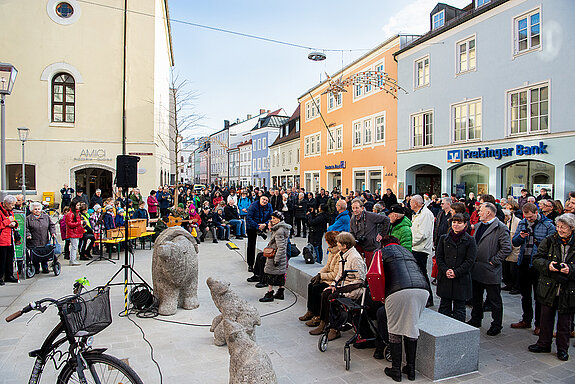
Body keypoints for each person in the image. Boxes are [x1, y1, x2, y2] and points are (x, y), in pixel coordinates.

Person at [374, 236, 429, 382]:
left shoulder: (381, 252)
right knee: (412, 327)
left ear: (383, 244)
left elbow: (375, 276)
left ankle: (396, 370)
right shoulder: (407, 252)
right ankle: (411, 370)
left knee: (395, 330)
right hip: (422, 290)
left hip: (398, 290)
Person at [528, 213, 575, 362]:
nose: (560, 230)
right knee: (545, 317)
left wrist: (571, 269)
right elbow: (536, 259)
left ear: (572, 228)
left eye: (564, 227)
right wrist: (548, 265)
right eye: (558, 226)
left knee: (565, 321)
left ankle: (562, 349)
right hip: (549, 286)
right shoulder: (550, 241)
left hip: (568, 288)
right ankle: (543, 344)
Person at [310, 232, 367, 341]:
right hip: (344, 285)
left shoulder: (355, 258)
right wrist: (333, 285)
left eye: (339, 243)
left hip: (353, 289)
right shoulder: (343, 255)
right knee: (326, 293)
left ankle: (335, 329)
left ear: (345, 245)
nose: (337, 245)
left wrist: (340, 289)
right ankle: (324, 322)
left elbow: (360, 280)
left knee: (331, 297)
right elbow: (339, 275)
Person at [510, 202, 556, 334]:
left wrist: (536, 241)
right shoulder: (522, 223)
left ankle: (539, 324)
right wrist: (521, 237)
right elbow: (515, 242)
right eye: (526, 217)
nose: (528, 219)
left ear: (537, 213)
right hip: (523, 261)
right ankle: (526, 319)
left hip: (538, 265)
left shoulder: (547, 225)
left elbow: (551, 246)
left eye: (530, 217)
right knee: (525, 294)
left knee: (539, 296)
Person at [467, 202, 512, 336]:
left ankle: (496, 324)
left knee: (494, 299)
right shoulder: (480, 225)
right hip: (477, 268)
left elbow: (506, 248)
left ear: (488, 212)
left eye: (481, 210)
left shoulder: (500, 228)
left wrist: (494, 261)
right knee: (476, 297)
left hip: (491, 270)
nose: (478, 212)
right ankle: (476, 318)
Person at [435, 213, 476, 322]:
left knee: (459, 308)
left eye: (459, 222)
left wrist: (456, 272)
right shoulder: (444, 238)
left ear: (465, 224)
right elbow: (439, 257)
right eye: (454, 222)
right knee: (444, 306)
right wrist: (445, 270)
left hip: (461, 278)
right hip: (445, 277)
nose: (456, 225)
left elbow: (470, 260)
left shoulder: (470, 240)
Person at [299, 231, 340, 326]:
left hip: (333, 281)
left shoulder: (338, 254)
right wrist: (319, 274)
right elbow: (327, 266)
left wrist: (321, 276)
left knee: (318, 289)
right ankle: (311, 311)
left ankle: (318, 316)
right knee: (311, 285)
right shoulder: (331, 251)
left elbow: (335, 274)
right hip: (328, 277)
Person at [259, 211, 291, 302]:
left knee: (270, 274)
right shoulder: (281, 229)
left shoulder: (279, 231)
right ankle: (280, 292)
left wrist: (276, 259)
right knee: (280, 274)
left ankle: (270, 293)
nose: (272, 220)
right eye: (272, 218)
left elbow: (281, 247)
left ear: (279, 219)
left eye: (274, 218)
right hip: (281, 256)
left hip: (275, 256)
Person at [409, 194, 435, 307]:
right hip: (416, 247)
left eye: (410, 202)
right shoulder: (418, 213)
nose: (409, 204)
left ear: (416, 203)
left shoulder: (425, 214)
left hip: (420, 249)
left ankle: (428, 297)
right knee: (419, 273)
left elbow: (423, 234)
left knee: (421, 273)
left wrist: (411, 242)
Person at [350, 198, 390, 268]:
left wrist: (382, 234)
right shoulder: (353, 219)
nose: (355, 210)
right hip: (359, 245)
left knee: (371, 268)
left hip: (371, 247)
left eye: (357, 208)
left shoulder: (370, 216)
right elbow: (352, 232)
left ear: (362, 208)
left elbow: (386, 220)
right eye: (353, 208)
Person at [246, 195, 273, 277]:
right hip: (252, 226)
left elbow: (271, 217)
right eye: (263, 199)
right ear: (260, 199)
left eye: (266, 200)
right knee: (251, 245)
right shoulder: (253, 205)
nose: (264, 201)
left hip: (263, 225)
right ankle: (250, 264)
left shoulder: (269, 206)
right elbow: (249, 218)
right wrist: (257, 226)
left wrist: (265, 224)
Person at [0, 195, 19, 284]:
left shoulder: (10, 212)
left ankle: (9, 275)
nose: (13, 207)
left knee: (9, 259)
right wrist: (8, 222)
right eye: (12, 205)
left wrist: (14, 223)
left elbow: (14, 221)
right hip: (1, 240)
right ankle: (0, 277)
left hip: (10, 239)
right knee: (1, 260)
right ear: (6, 204)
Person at [502, 209, 521, 295]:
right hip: (506, 248)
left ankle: (516, 286)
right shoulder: (506, 222)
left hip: (515, 249)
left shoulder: (517, 221)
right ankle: (509, 284)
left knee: (514, 270)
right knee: (506, 269)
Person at [65, 200, 84, 266]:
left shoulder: (77, 213)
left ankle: (73, 259)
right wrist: (79, 223)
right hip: (73, 232)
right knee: (74, 246)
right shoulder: (70, 214)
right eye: (78, 205)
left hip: (77, 231)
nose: (79, 206)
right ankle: (72, 260)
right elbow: (70, 224)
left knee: (75, 246)